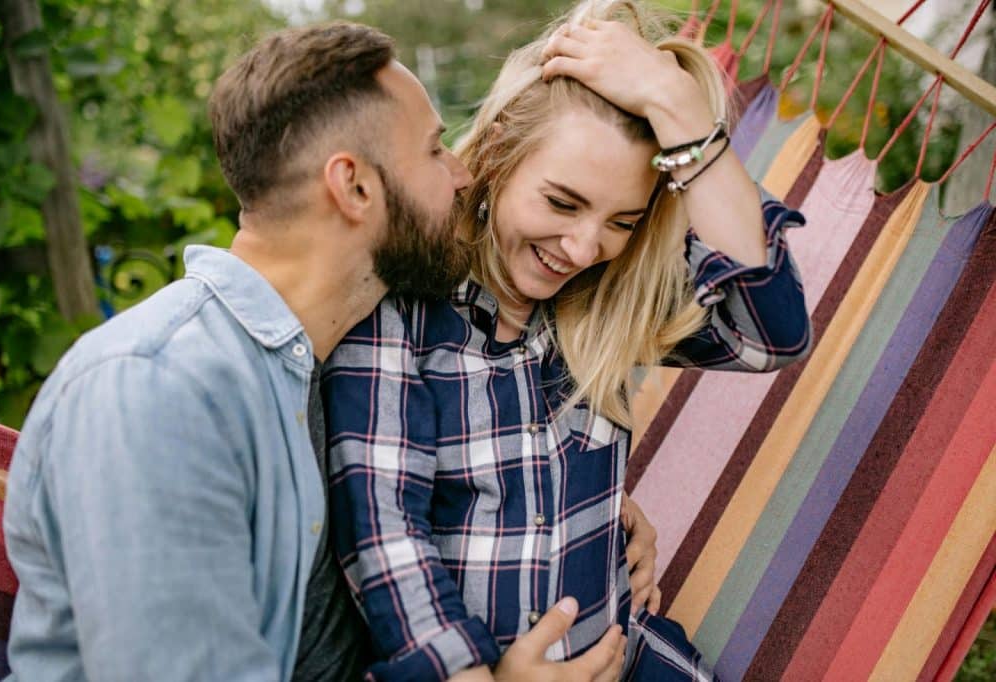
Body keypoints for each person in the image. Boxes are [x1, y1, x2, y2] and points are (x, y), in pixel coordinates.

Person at [323, 1, 813, 680]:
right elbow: (384, 536)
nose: (583, 248)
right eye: (561, 203)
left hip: (626, 655)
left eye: (623, 220)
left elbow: (770, 335)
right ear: (495, 154)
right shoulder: (402, 308)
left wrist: (680, 112)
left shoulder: (599, 302)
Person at [2, 21, 485, 681]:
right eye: (435, 150)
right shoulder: (159, 391)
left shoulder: (331, 364)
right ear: (354, 187)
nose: (461, 175)